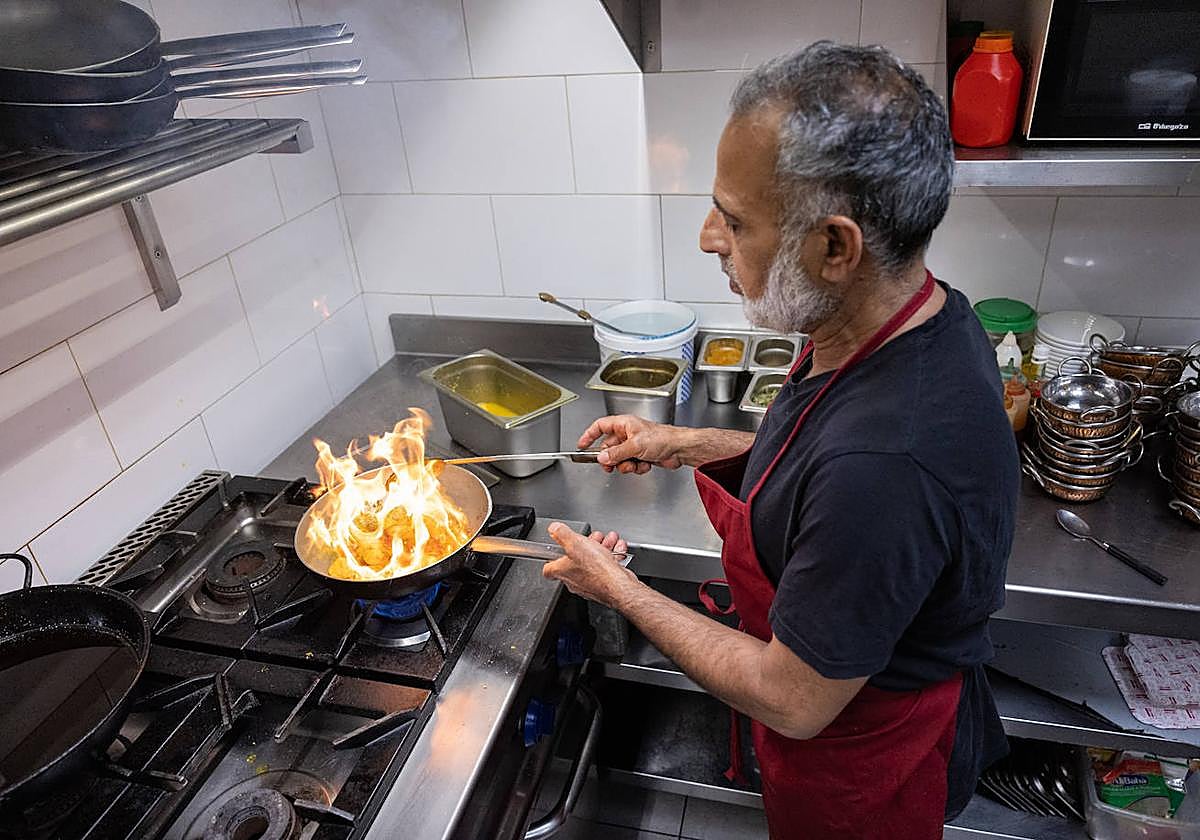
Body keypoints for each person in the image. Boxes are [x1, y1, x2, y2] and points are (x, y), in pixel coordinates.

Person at [543, 41, 1019, 839]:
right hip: (849, 711)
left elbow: (794, 699)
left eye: (733, 219)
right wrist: (681, 441)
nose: (706, 238)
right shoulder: (900, 318)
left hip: (864, 762)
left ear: (835, 248)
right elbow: (815, 435)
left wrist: (618, 590)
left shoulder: (889, 465)